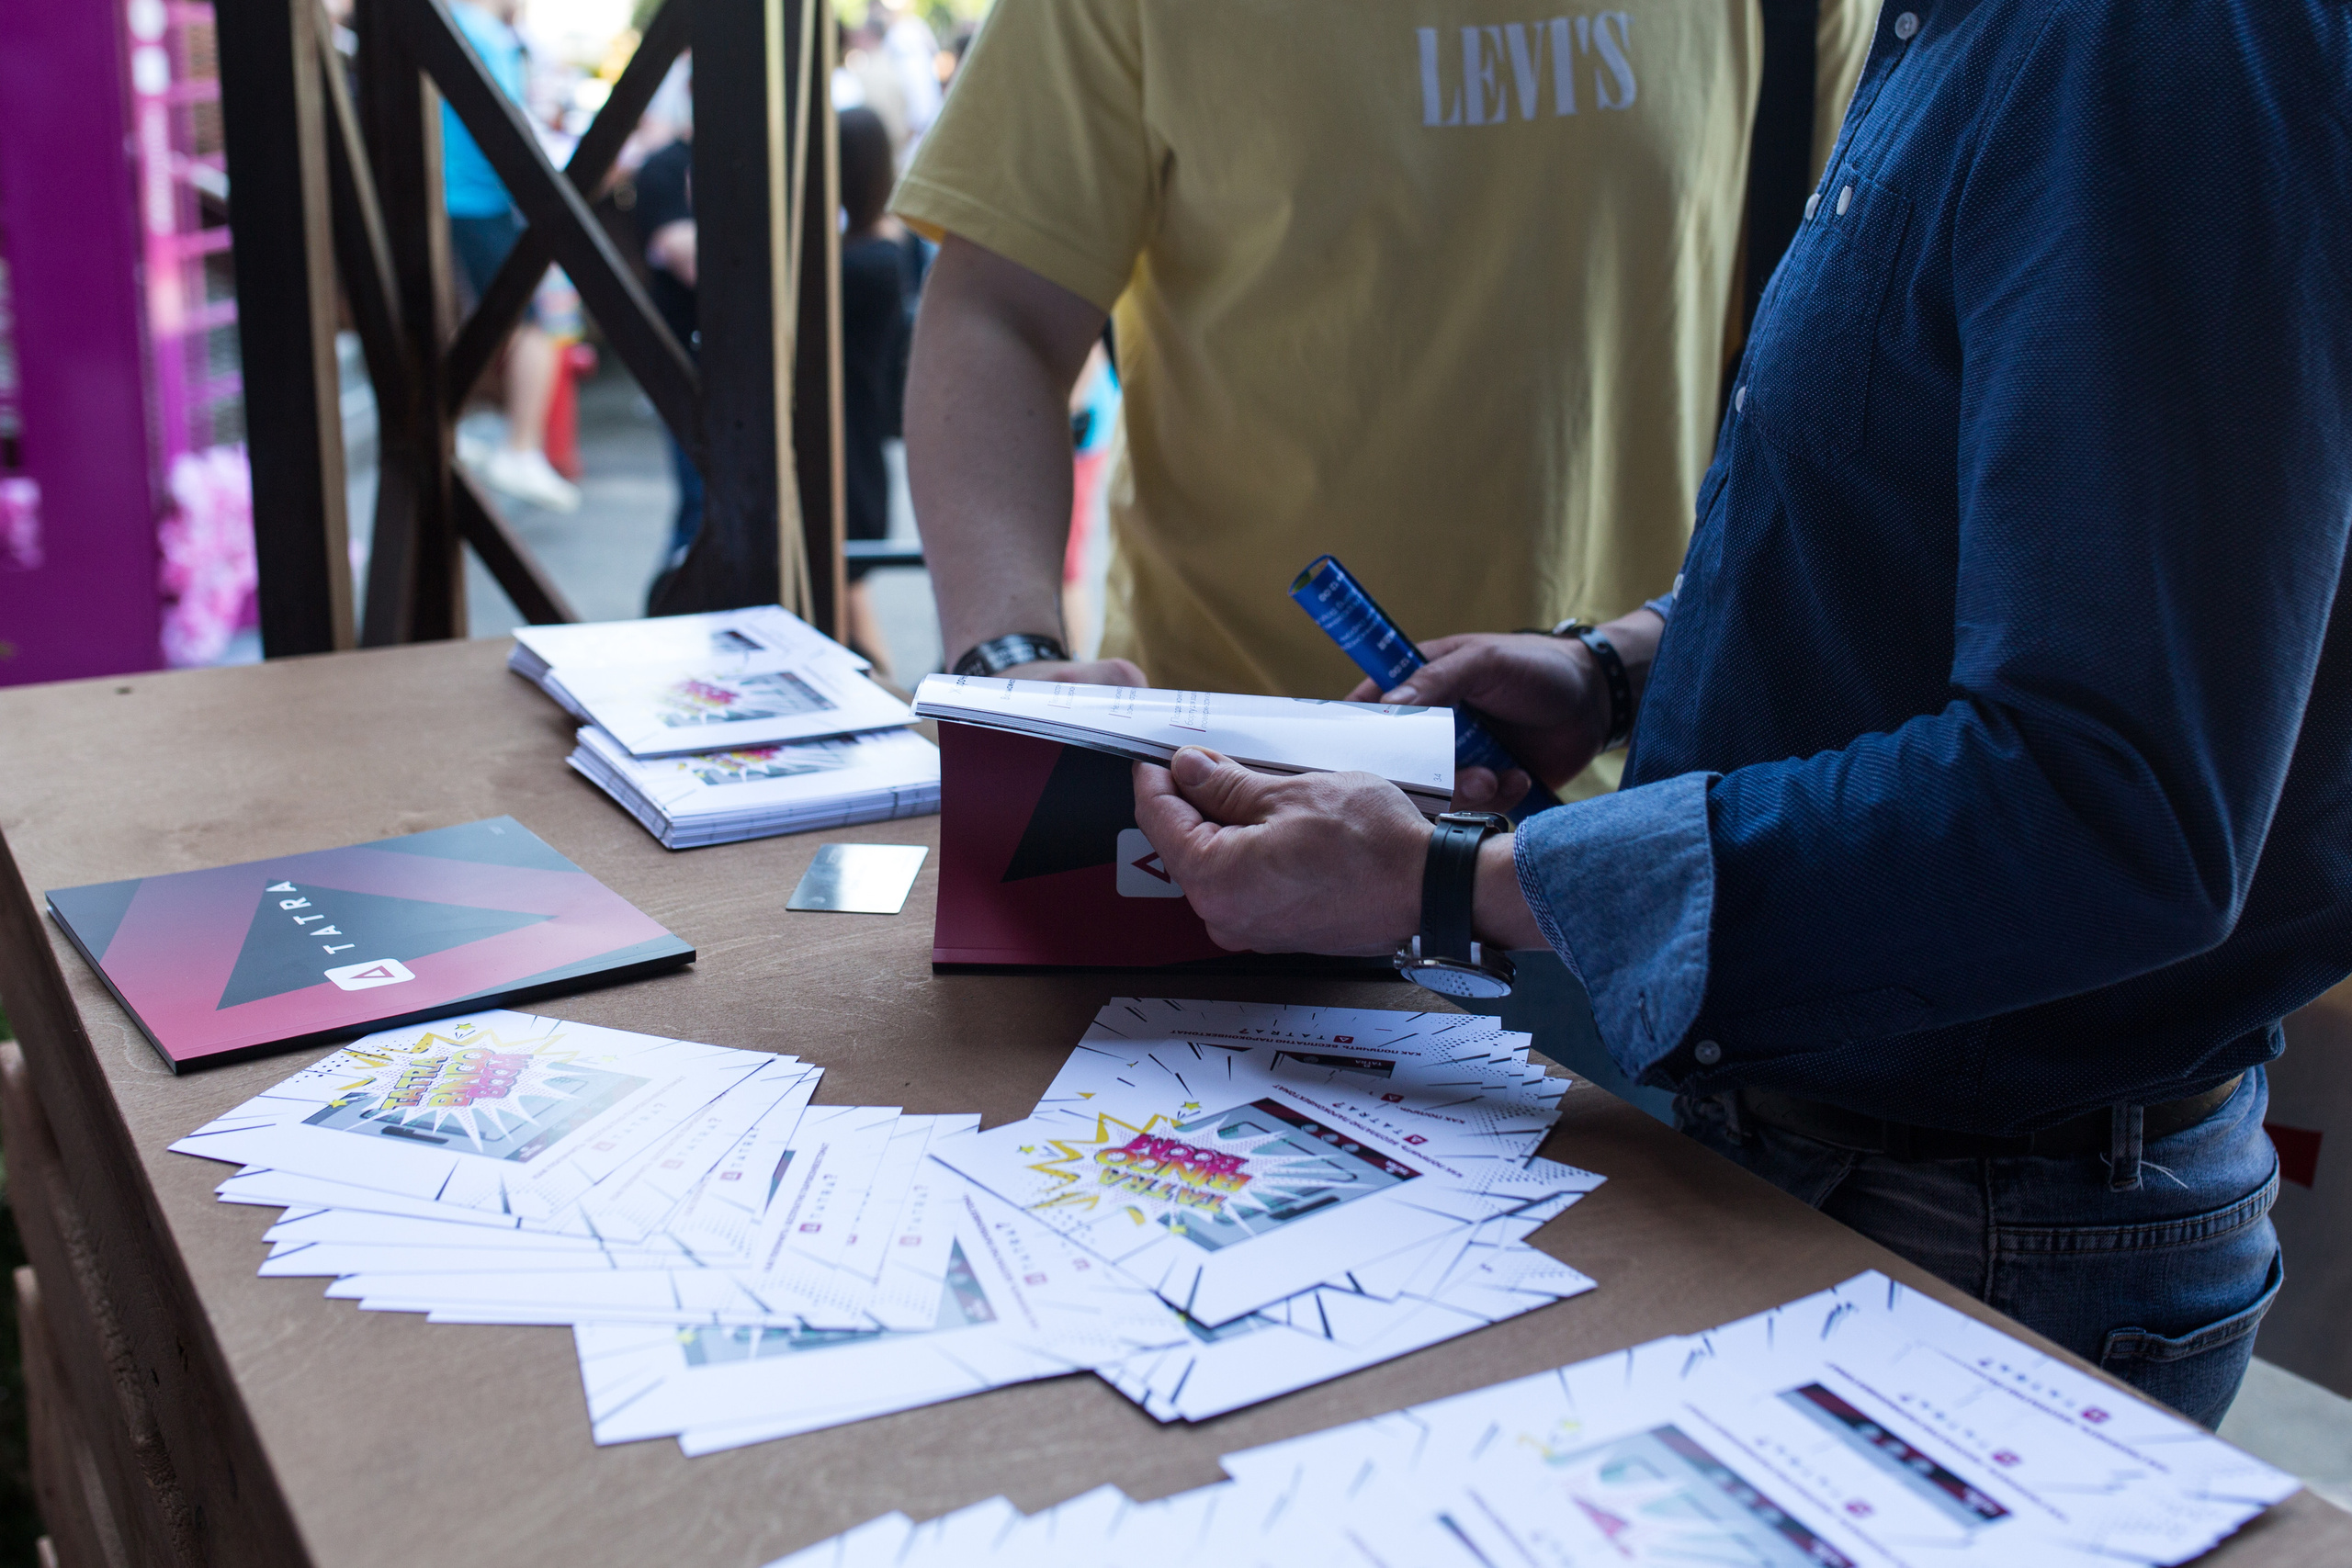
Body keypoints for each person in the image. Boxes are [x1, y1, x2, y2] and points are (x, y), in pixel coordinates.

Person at [1125, 0, 2352, 1428]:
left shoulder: (2155, 44)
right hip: (1869, 1158)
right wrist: (1627, 665)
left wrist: (1455, 880)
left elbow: (2105, 799)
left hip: (1984, 1208)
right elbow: (1924, 524)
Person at [896, 0, 1874, 795]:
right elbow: (1000, 313)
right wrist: (1007, 657)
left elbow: (1846, 367)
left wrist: (1632, 666)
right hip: (1219, 803)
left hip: (1628, 809)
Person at [441, 0, 580, 513]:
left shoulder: (456, 24)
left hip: (457, 199)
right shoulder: (486, 36)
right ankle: (519, 447)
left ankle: (489, 437)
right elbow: (506, 129)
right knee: (540, 322)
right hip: (482, 201)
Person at [837, 107, 912, 672]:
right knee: (848, 604)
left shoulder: (860, 264)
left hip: (849, 450)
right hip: (858, 444)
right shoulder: (886, 249)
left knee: (847, 601)